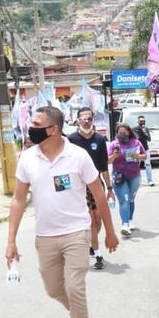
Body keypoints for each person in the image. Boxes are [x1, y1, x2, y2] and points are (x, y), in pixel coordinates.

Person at [6, 106, 119, 318]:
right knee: (53, 289)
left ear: (53, 129)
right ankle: (79, 313)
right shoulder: (27, 158)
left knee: (75, 287)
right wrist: (11, 240)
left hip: (76, 233)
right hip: (45, 236)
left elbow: (99, 194)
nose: (30, 128)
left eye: (36, 123)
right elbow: (18, 199)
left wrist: (110, 232)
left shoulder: (78, 156)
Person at [68, 107, 115, 270]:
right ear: (78, 120)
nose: (86, 121)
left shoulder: (100, 140)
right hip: (79, 187)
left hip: (96, 184)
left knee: (98, 219)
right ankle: (98, 253)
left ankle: (92, 244)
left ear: (92, 120)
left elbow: (103, 167)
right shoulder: (70, 140)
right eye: (83, 118)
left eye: (89, 118)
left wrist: (109, 188)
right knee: (90, 221)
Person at [108, 124, 146, 238]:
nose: (122, 135)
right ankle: (125, 225)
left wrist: (138, 156)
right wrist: (114, 156)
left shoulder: (136, 143)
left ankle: (130, 220)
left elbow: (144, 156)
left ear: (129, 132)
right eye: (120, 133)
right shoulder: (113, 145)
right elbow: (107, 161)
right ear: (116, 133)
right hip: (119, 177)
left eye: (125, 132)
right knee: (124, 200)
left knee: (130, 199)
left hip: (134, 176)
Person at [133, 115, 155, 187]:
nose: (142, 123)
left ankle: (150, 180)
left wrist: (145, 132)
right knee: (136, 165)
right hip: (137, 150)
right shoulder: (134, 129)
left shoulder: (146, 129)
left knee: (148, 165)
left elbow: (149, 139)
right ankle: (137, 181)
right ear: (138, 122)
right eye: (141, 121)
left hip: (145, 149)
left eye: (143, 121)